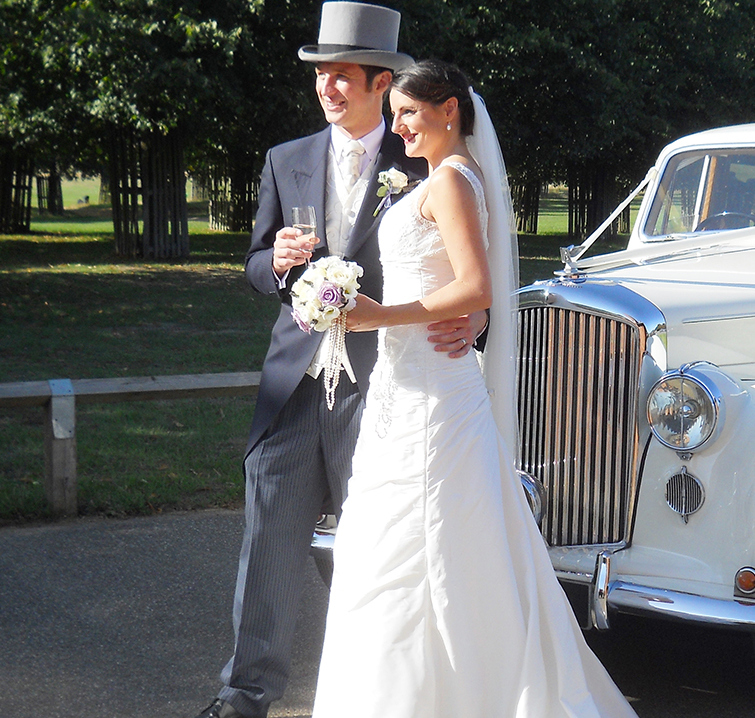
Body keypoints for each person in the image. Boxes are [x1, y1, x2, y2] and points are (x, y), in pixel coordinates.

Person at [311, 60, 639, 718]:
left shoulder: (454, 180)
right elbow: (461, 287)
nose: (398, 124)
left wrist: (380, 315)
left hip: (433, 392)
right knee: (407, 540)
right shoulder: (446, 177)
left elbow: (475, 287)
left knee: (430, 540)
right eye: (397, 112)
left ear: (450, 110)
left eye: (409, 112)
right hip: (408, 385)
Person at [197, 6, 485, 718]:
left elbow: (465, 260)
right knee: (268, 540)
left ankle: (376, 692)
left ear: (379, 82)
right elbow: (256, 264)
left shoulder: (418, 153)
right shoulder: (284, 159)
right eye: (319, 73)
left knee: (381, 545)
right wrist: (277, 262)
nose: (326, 85)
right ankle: (243, 696)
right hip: (293, 380)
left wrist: (475, 316)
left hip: (386, 380)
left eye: (340, 74)